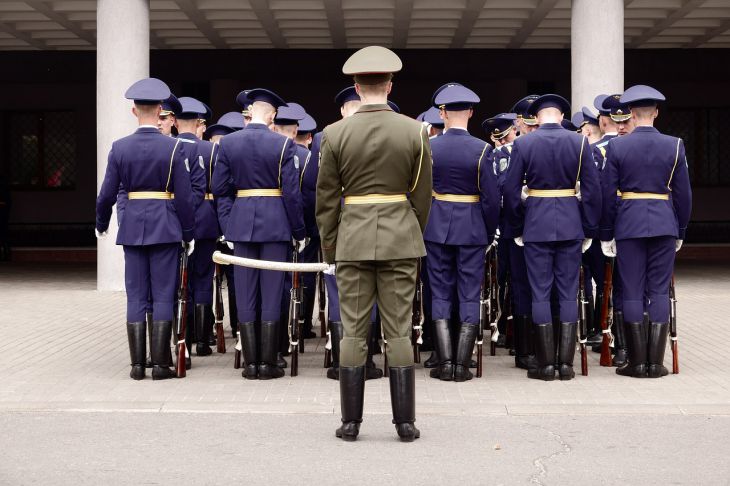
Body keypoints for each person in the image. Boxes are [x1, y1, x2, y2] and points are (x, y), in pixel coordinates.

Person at [316, 46, 432, 442]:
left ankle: (351, 424)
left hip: (352, 240)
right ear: (390, 84)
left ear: (355, 86)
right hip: (401, 238)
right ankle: (405, 424)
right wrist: (408, 231)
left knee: (353, 331)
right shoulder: (415, 131)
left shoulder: (334, 133)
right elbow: (421, 196)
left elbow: (327, 201)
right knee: (398, 331)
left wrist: (331, 250)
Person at [95, 78, 196, 381]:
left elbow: (106, 195)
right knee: (164, 295)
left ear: (134, 111)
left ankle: (138, 365)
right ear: (161, 110)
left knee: (137, 296)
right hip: (165, 227)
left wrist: (101, 224)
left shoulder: (120, 148)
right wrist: (188, 234)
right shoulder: (174, 147)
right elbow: (185, 197)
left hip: (134, 226)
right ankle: (161, 365)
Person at [503, 94, 601, 382]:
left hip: (536, 224)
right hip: (571, 223)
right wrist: (587, 227)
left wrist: (520, 225)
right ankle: (566, 365)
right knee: (568, 290)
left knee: (540, 291)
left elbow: (510, 192)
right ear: (560, 116)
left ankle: (545, 365)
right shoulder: (579, 141)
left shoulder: (523, 143)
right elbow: (593, 191)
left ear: (537, 117)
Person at [212, 88, 306, 381]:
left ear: (249, 111)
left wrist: (228, 225)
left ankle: (251, 364)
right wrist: (298, 230)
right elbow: (292, 194)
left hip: (241, 222)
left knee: (245, 291)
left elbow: (219, 189)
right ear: (273, 114)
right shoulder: (283, 145)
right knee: (271, 291)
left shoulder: (228, 143)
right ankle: (268, 363)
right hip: (275, 222)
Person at [600, 85, 692, 379]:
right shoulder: (674, 144)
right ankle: (656, 363)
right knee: (658, 290)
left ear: (630, 115)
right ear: (656, 113)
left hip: (629, 223)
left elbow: (606, 194)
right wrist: (680, 229)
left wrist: (606, 232)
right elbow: (684, 195)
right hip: (664, 222)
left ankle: (637, 363)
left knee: (632, 291)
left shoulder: (616, 146)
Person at [308, 86, 385, 381]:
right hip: (376, 220)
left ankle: (343, 362)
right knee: (373, 291)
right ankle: (365, 361)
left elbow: (320, 187)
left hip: (340, 222)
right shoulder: (382, 130)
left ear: (342, 110)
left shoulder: (324, 136)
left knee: (339, 291)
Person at [424, 84, 499, 382]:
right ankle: (462, 364)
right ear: (470, 112)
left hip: (437, 226)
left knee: (440, 292)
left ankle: (444, 364)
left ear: (442, 113)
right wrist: (488, 229)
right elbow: (491, 199)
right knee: (469, 293)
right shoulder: (482, 149)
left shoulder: (429, 147)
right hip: (471, 229)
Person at [484, 112, 536, 369]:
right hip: (509, 227)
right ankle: (516, 338)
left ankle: (530, 344)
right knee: (513, 283)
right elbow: (500, 191)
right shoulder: (500, 155)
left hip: (526, 225)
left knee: (529, 285)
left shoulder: (521, 150)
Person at [176, 96, 220, 357]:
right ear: (200, 123)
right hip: (206, 221)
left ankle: (185, 336)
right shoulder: (211, 151)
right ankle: (203, 342)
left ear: (174, 122)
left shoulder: (168, 147)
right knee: (203, 279)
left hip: (175, 222)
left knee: (181, 282)